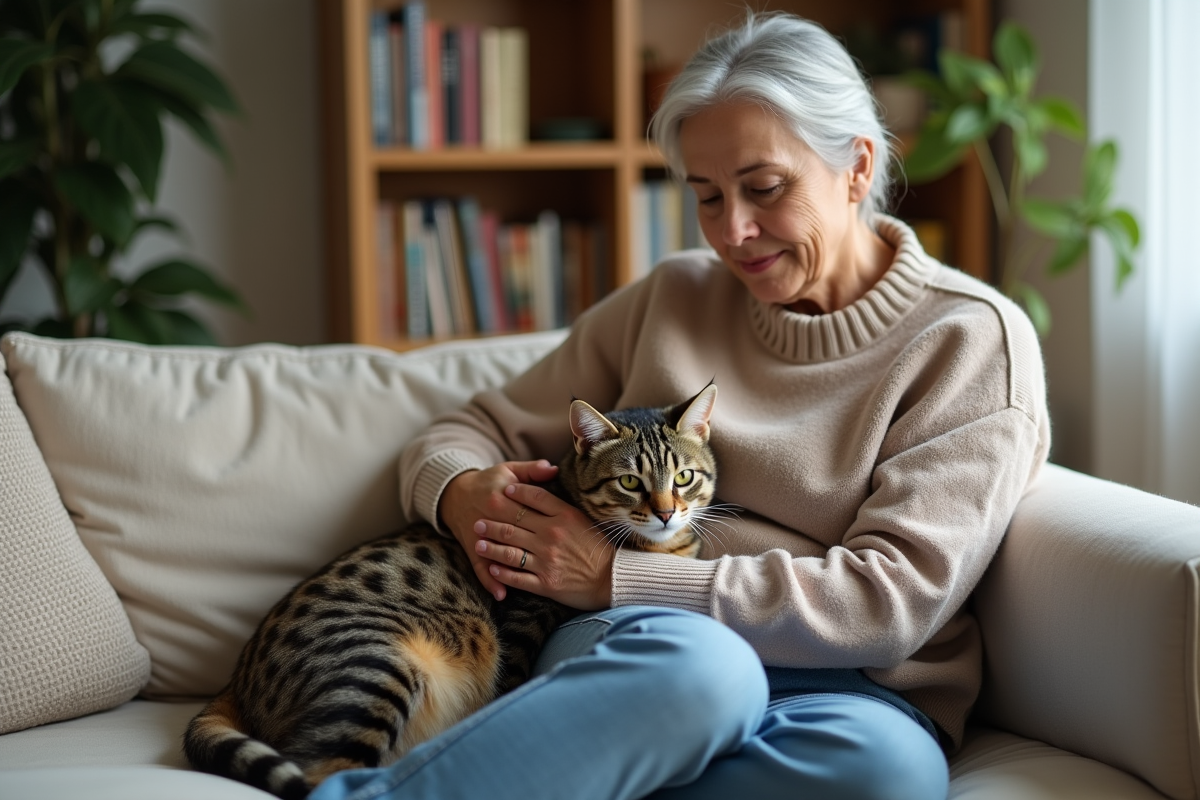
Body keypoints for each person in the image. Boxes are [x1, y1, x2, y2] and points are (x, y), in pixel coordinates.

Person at [310, 11, 1049, 800]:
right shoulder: (673, 295)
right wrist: (457, 494)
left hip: (851, 686)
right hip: (655, 657)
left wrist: (616, 576)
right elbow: (466, 428)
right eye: (706, 197)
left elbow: (886, 603)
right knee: (708, 670)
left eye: (765, 189)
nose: (734, 232)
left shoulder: (967, 341)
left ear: (858, 167)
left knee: (889, 774)